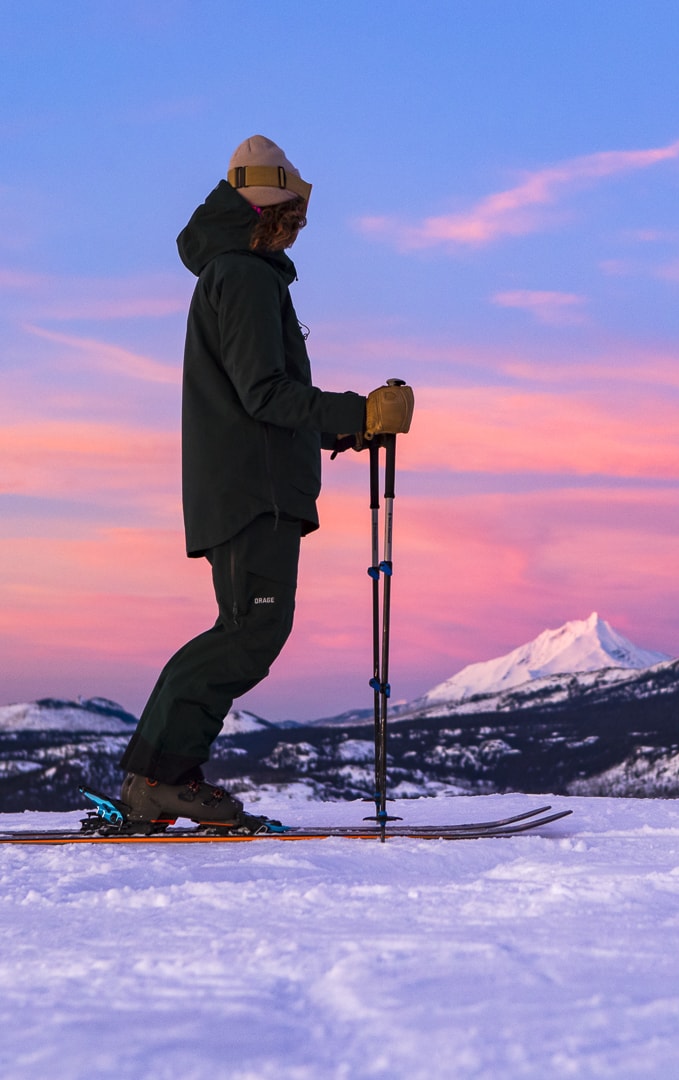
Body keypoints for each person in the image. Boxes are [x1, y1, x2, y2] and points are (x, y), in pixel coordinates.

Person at [118, 135, 410, 830]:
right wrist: (357, 411)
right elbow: (264, 394)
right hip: (256, 489)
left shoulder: (234, 272)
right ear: (266, 205)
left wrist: (349, 428)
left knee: (247, 629)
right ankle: (157, 776)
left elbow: (265, 397)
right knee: (251, 631)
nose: (298, 225)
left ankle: (166, 776)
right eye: (291, 211)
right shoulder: (244, 275)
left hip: (246, 483)